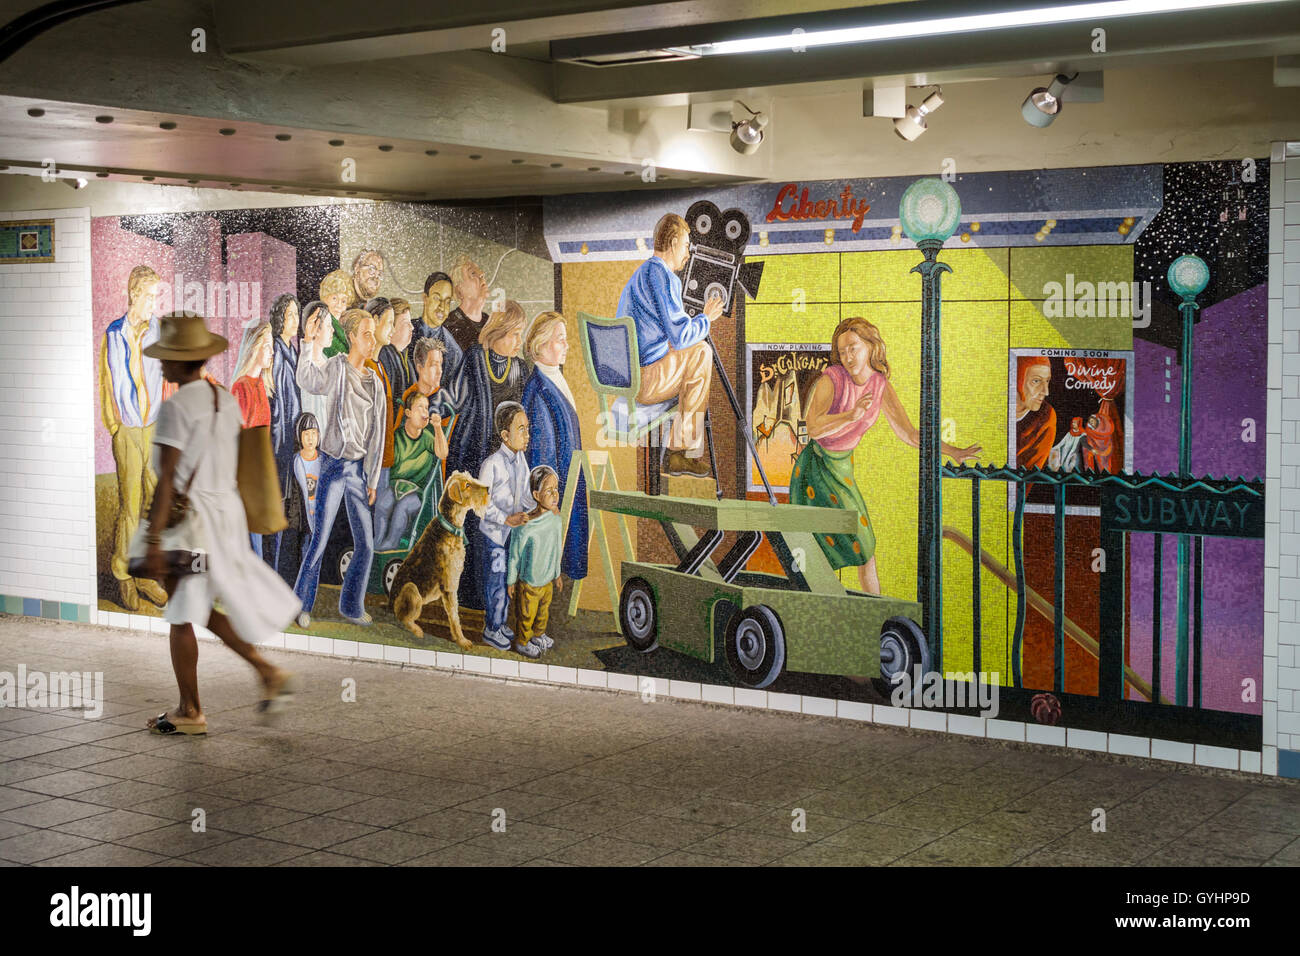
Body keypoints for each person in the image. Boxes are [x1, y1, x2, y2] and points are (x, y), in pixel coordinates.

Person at [139, 313, 298, 736]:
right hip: (224, 519)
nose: (160, 363)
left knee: (180, 613)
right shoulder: (224, 400)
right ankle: (266, 673)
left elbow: (170, 480)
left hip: (191, 526)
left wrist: (154, 538)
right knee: (198, 608)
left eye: (165, 357)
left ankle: (191, 710)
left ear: (177, 361)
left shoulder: (175, 409)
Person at [795, 316, 981, 595]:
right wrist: (851, 415)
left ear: (871, 347)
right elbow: (813, 428)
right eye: (843, 350)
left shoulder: (879, 385)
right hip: (816, 468)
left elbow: (910, 434)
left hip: (843, 468)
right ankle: (850, 608)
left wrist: (952, 451)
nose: (847, 356)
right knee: (844, 542)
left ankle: (878, 612)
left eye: (853, 348)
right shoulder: (832, 379)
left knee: (864, 545)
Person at [294, 308, 386, 627]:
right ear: (350, 338)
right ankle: (301, 605)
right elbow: (306, 378)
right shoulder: (336, 368)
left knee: (367, 545)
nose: (372, 340)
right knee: (320, 539)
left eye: (373, 333)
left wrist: (372, 479)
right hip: (333, 466)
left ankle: (351, 606)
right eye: (366, 334)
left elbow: (377, 435)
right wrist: (307, 341)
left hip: (359, 472)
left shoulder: (375, 383)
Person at [615, 213, 725, 478]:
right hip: (647, 380)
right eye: (687, 246)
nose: (687, 254)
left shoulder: (641, 273)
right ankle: (679, 452)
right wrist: (706, 318)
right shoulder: (663, 276)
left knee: (690, 355)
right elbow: (680, 336)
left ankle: (678, 448)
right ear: (674, 242)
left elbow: (664, 338)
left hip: (633, 377)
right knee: (701, 352)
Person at [445, 301, 528, 612]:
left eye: (521, 335)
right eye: (514, 334)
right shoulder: (475, 358)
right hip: (471, 452)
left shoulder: (520, 368)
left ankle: (496, 598)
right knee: (472, 526)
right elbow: (454, 397)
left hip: (503, 461)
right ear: (497, 333)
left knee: (501, 527)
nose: (518, 341)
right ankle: (470, 595)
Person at [99, 264, 168, 612]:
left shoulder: (159, 330)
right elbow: (105, 383)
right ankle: (123, 575)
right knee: (129, 506)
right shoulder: (114, 332)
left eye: (157, 296)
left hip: (153, 427)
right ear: (135, 295)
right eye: (151, 296)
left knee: (152, 505)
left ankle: (144, 574)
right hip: (127, 430)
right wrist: (114, 426)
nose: (155, 303)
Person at [520, 311, 588, 584]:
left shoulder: (555, 378)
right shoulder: (537, 391)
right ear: (541, 344)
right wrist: (550, 504)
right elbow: (542, 457)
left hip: (569, 486)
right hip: (556, 496)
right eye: (561, 339)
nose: (566, 345)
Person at [478, 401, 534, 651]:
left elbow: (524, 495)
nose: (527, 435)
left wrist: (533, 508)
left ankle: (499, 623)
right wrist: (506, 519)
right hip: (493, 536)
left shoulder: (521, 461)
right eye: (521, 429)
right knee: (496, 582)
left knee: (507, 579)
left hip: (509, 534)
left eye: (527, 429)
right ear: (505, 435)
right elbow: (480, 505)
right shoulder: (492, 464)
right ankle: (492, 628)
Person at [375, 391, 448, 551]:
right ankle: (377, 544)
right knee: (383, 504)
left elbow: (442, 453)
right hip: (394, 487)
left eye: (427, 408)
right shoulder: (397, 437)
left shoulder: (427, 437)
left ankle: (390, 547)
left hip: (416, 492)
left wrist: (437, 428)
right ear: (408, 413)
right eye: (420, 407)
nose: (425, 412)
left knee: (403, 508)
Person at [507, 465, 563, 660]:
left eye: (556, 489)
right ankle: (523, 642)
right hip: (529, 582)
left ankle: (539, 635)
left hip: (547, 581)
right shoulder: (525, 525)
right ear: (536, 495)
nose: (555, 495)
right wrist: (511, 581)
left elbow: (557, 548)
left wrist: (557, 574)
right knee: (526, 615)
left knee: (543, 613)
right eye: (549, 491)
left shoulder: (556, 519)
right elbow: (514, 554)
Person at [231, 321, 276, 557]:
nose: (272, 352)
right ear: (254, 347)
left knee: (256, 546)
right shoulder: (241, 388)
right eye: (268, 346)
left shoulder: (261, 385)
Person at [267, 294, 301, 572]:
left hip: (293, 440)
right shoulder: (278, 351)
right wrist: (280, 449)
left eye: (297, 314)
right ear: (280, 320)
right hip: (282, 444)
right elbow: (277, 406)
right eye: (290, 315)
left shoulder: (293, 350)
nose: (295, 320)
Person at [278, 412, 321, 588]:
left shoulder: (324, 462)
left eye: (313, 433)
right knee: (299, 558)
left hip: (316, 521)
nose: (310, 439)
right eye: (306, 434)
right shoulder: (295, 463)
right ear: (299, 436)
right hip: (300, 523)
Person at [410, 271, 463, 383]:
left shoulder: (453, 351)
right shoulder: (405, 333)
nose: (442, 307)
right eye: (437, 299)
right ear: (425, 298)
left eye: (447, 302)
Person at [445, 256, 491, 356]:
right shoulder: (450, 326)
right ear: (459, 291)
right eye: (473, 273)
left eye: (480, 272)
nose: (482, 275)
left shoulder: (489, 322)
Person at [1015, 358, 1055, 470]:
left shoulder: (1046, 415)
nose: (1046, 392)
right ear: (1018, 380)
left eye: (1047, 381)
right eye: (1036, 381)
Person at [380, 297, 416, 409]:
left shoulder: (404, 356)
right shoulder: (383, 355)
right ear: (392, 327)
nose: (412, 327)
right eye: (406, 323)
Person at [319, 270, 354, 358]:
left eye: (343, 301)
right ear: (326, 298)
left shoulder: (346, 325)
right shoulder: (323, 325)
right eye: (334, 298)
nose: (339, 305)